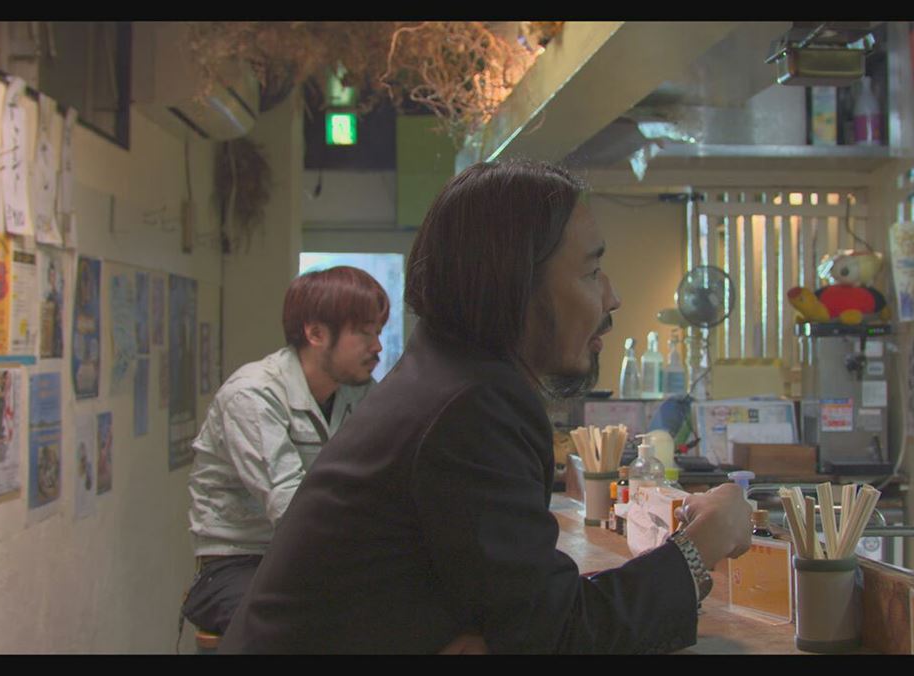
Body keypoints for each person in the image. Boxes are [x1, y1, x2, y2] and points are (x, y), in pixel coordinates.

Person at [221, 160, 752, 654]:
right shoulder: (472, 406)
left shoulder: (446, 375)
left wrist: (501, 635)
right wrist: (700, 544)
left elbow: (524, 616)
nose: (612, 298)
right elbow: (560, 634)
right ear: (515, 285)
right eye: (592, 273)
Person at [180, 266, 388, 638]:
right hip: (239, 562)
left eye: (378, 332)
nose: (377, 347)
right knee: (300, 628)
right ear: (316, 334)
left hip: (314, 557)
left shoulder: (359, 392)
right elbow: (293, 510)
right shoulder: (252, 395)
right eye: (364, 332)